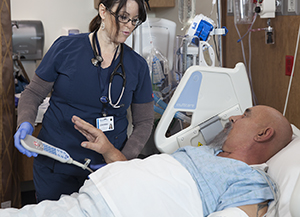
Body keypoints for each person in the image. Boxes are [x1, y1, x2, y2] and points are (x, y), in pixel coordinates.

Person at [4, 105, 292, 217]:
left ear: (263, 134)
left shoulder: (251, 181)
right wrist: (107, 150)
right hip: (89, 199)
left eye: (246, 115)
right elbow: (139, 174)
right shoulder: (206, 152)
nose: (232, 118)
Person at [13, 0, 154, 202]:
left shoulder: (137, 66)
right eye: (123, 17)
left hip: (105, 172)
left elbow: (144, 122)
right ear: (103, 11)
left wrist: (121, 159)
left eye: (134, 20)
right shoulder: (65, 48)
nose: (129, 26)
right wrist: (25, 122)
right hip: (57, 165)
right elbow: (33, 94)